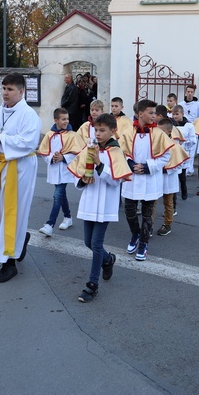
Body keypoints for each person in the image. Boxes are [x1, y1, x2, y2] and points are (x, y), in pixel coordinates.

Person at [0, 74, 42, 283]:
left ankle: (9, 262)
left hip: (19, 168)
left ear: (21, 92)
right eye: (4, 88)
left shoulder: (29, 115)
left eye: (10, 89)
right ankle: (18, 241)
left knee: (12, 213)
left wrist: (1, 138)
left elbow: (29, 142)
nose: (5, 93)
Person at [67, 113, 132, 303]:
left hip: (105, 205)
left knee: (96, 243)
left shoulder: (116, 152)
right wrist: (82, 180)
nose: (98, 133)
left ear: (113, 131)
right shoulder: (90, 148)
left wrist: (98, 163)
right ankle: (108, 259)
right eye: (96, 129)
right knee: (88, 242)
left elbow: (114, 181)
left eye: (102, 130)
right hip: (90, 201)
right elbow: (77, 173)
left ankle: (92, 285)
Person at [118, 99, 173, 261]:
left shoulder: (159, 134)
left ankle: (143, 242)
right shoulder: (129, 133)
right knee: (129, 211)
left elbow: (166, 156)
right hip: (132, 178)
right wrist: (131, 164)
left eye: (155, 113)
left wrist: (148, 166)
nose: (154, 116)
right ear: (140, 113)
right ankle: (135, 234)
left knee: (148, 214)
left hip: (150, 179)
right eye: (150, 113)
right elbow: (122, 152)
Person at [37, 108, 86, 237]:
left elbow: (79, 153)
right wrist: (52, 158)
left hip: (65, 170)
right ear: (56, 120)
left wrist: (63, 158)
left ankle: (50, 224)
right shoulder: (49, 135)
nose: (66, 121)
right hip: (54, 170)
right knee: (61, 194)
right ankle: (68, 217)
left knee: (57, 195)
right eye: (63, 119)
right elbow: (44, 153)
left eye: (67, 119)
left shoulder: (73, 135)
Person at [156, 118, 189, 236]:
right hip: (156, 178)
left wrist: (167, 168)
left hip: (169, 178)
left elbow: (180, 164)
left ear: (169, 132)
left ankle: (167, 224)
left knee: (168, 203)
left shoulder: (175, 147)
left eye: (162, 131)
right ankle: (148, 223)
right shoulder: (155, 145)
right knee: (152, 202)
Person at [171, 104, 196, 188]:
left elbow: (193, 140)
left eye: (177, 114)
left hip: (183, 151)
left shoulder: (189, 126)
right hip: (173, 152)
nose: (175, 116)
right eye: (173, 114)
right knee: (173, 174)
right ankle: (173, 194)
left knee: (182, 174)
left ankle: (183, 187)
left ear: (182, 114)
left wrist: (183, 142)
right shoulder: (171, 125)